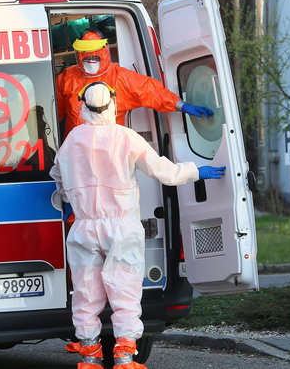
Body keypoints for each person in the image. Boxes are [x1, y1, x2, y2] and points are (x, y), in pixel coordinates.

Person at [49, 82, 225, 369]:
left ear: (82, 105)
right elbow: (164, 172)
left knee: (85, 292)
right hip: (121, 227)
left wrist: (70, 198)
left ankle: (90, 356)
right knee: (125, 290)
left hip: (84, 227)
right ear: (113, 104)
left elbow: (59, 178)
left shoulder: (72, 140)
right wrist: (197, 170)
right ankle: (125, 357)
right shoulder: (126, 138)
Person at [55, 29, 214, 137]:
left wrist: (181, 105)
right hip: (76, 150)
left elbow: (152, 92)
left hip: (110, 149)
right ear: (79, 54)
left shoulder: (120, 78)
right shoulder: (67, 78)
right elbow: (54, 112)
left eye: (94, 55)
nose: (90, 59)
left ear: (103, 52)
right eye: (86, 55)